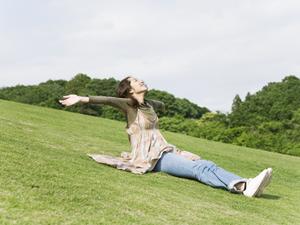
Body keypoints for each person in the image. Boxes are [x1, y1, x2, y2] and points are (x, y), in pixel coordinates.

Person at [59, 76, 272, 197]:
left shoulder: (150, 104)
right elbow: (106, 100)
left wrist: (163, 104)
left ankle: (243, 184)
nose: (141, 80)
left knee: (205, 163)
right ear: (129, 91)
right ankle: (244, 185)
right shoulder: (128, 105)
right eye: (136, 81)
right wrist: (81, 98)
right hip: (152, 157)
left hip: (164, 150)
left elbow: (161, 105)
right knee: (200, 168)